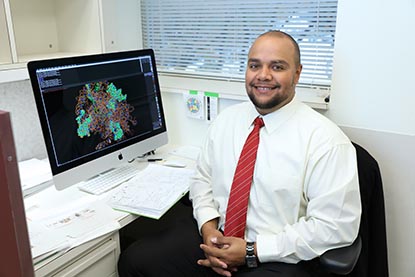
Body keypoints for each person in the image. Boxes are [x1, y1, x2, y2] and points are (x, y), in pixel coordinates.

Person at [117, 30, 361, 277]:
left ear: (297, 73)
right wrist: (208, 230)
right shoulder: (227, 121)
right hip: (217, 239)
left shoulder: (325, 140)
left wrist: (252, 251)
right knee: (136, 260)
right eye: (255, 65)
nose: (263, 75)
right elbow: (202, 181)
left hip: (278, 256)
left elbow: (335, 227)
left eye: (277, 67)